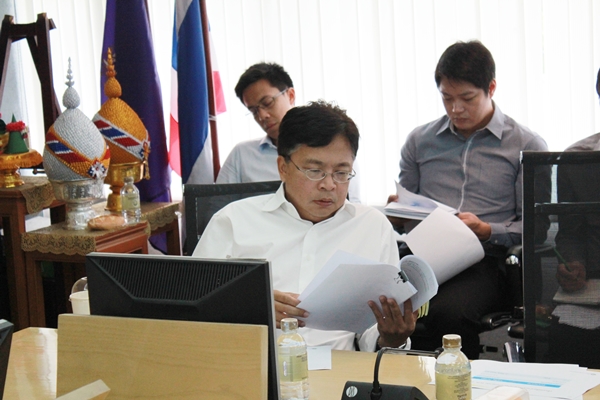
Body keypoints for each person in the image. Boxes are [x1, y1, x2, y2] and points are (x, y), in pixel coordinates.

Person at [194, 100, 416, 351]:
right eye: (314, 171)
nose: (329, 185)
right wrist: (250, 308)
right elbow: (193, 307)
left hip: (341, 366)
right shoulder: (233, 222)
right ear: (283, 168)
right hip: (254, 362)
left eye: (341, 173)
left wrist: (391, 338)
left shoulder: (372, 226)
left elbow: (370, 329)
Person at [391, 40, 550, 359]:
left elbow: (538, 227)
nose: (456, 109)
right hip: (422, 253)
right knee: (377, 299)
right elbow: (405, 207)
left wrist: (487, 230)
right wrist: (396, 213)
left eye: (467, 98)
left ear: (491, 88)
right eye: (447, 98)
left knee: (448, 314)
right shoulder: (420, 141)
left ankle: (458, 379)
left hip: (485, 259)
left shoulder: (526, 144)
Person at [217, 62, 361, 202]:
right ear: (282, 167)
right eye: (254, 111)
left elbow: (351, 206)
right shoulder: (242, 155)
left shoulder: (334, 147)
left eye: (267, 103)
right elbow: (217, 205)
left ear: (290, 95)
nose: (262, 116)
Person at [549, 68, 600, 368]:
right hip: (593, 288)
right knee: (565, 339)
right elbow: (569, 233)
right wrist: (573, 262)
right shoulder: (579, 160)